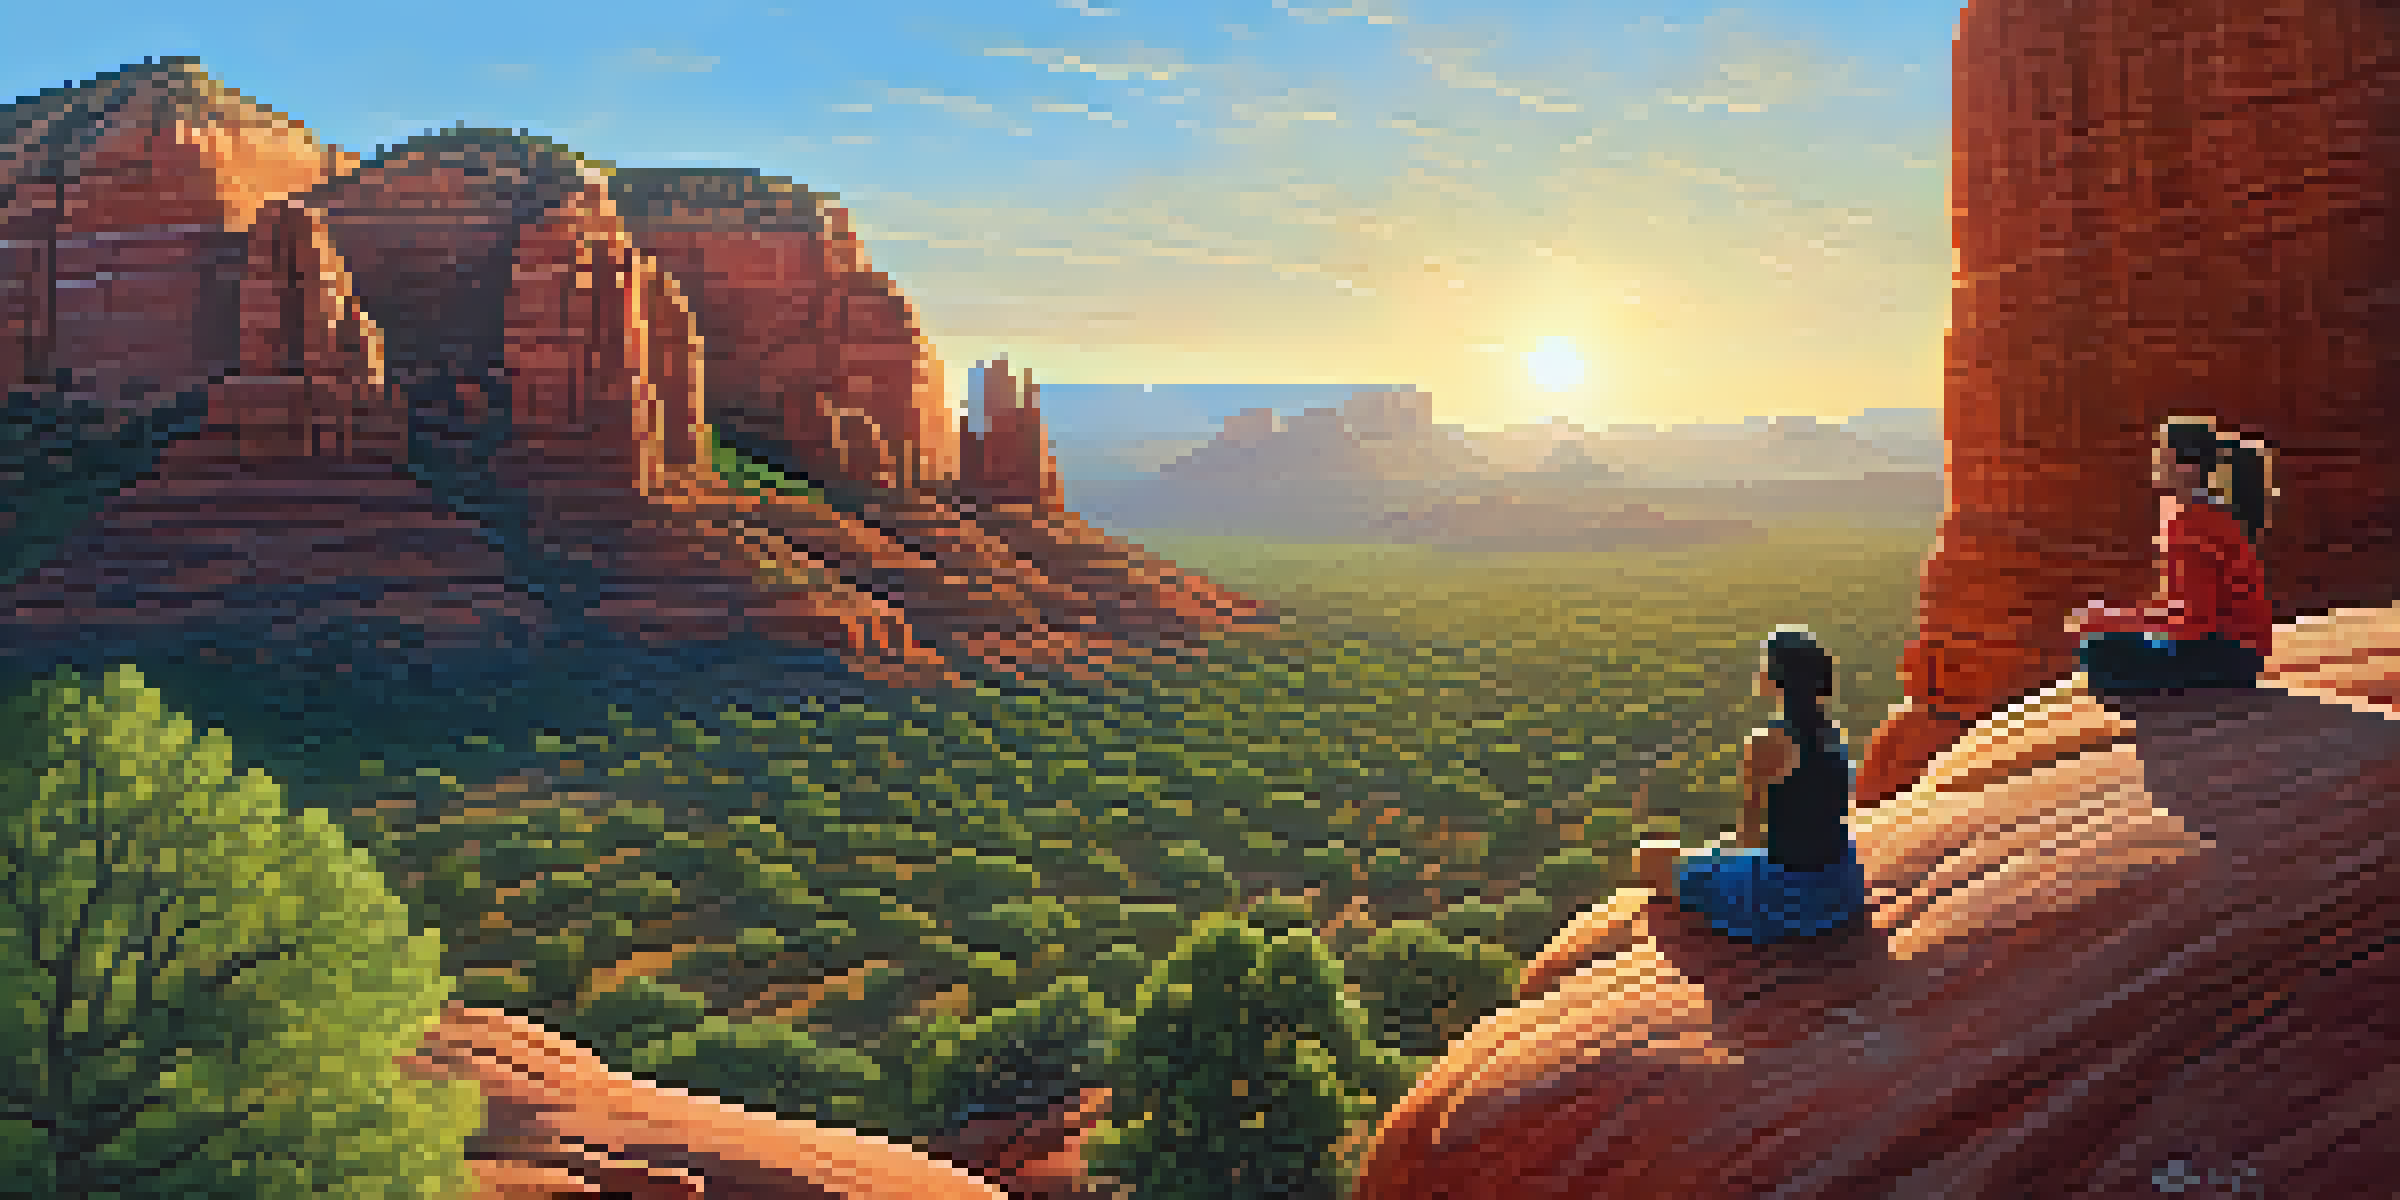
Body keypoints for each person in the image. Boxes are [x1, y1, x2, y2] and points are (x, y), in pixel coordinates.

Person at [1636, 627, 1867, 943]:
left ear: (1775, 677)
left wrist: (1715, 859)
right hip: (1841, 885)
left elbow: (1749, 837)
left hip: (1790, 897)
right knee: (1707, 855)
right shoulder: (1833, 732)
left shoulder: (1767, 741)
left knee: (1650, 857)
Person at [2065, 418, 2276, 696]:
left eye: (2163, 453)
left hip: (2229, 658)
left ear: (2189, 468)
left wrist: (2111, 621)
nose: (2156, 460)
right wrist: (2117, 617)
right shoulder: (2206, 512)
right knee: (2104, 640)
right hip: (2240, 653)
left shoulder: (2192, 522)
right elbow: (2183, 607)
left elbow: (2192, 622)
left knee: (2097, 650)